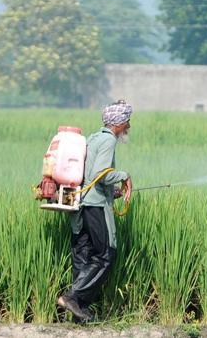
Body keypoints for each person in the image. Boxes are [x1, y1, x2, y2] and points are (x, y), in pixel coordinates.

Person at [57, 100, 133, 322]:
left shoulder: (92, 138)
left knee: (84, 254)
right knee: (105, 254)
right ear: (118, 122)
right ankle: (73, 298)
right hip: (96, 205)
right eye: (127, 121)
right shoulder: (108, 140)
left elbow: (90, 176)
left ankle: (77, 314)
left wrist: (112, 192)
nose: (128, 126)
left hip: (79, 204)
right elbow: (102, 172)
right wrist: (124, 176)